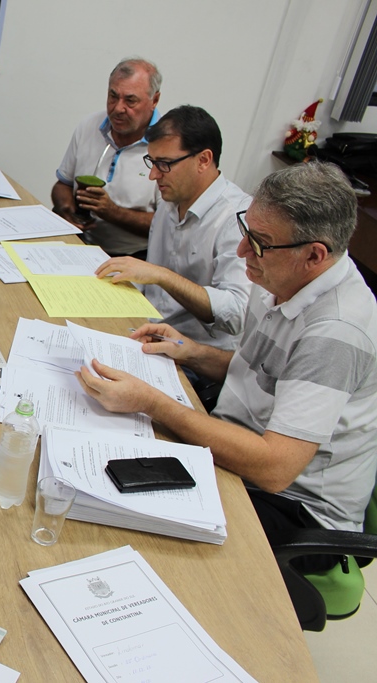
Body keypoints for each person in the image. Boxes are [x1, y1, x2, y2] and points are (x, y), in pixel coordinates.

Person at [77, 162, 377, 569]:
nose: (242, 252)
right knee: (99, 465)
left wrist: (152, 402)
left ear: (314, 255)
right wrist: (192, 352)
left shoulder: (336, 332)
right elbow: (266, 372)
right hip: (238, 449)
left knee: (122, 530)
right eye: (246, 232)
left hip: (294, 507)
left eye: (260, 243)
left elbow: (275, 468)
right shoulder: (281, 278)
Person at [96, 105, 251, 350]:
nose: (153, 176)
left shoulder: (236, 218)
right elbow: (152, 289)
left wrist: (163, 276)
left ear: (203, 160)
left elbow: (237, 313)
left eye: (165, 164)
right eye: (152, 162)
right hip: (146, 329)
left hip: (194, 353)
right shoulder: (170, 201)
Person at [52, 58, 162, 257]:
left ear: (154, 100)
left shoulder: (167, 146)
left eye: (130, 100)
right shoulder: (89, 126)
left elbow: (167, 226)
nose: (118, 108)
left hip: (133, 257)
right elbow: (63, 185)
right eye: (113, 96)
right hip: (78, 242)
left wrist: (112, 212)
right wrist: (66, 210)